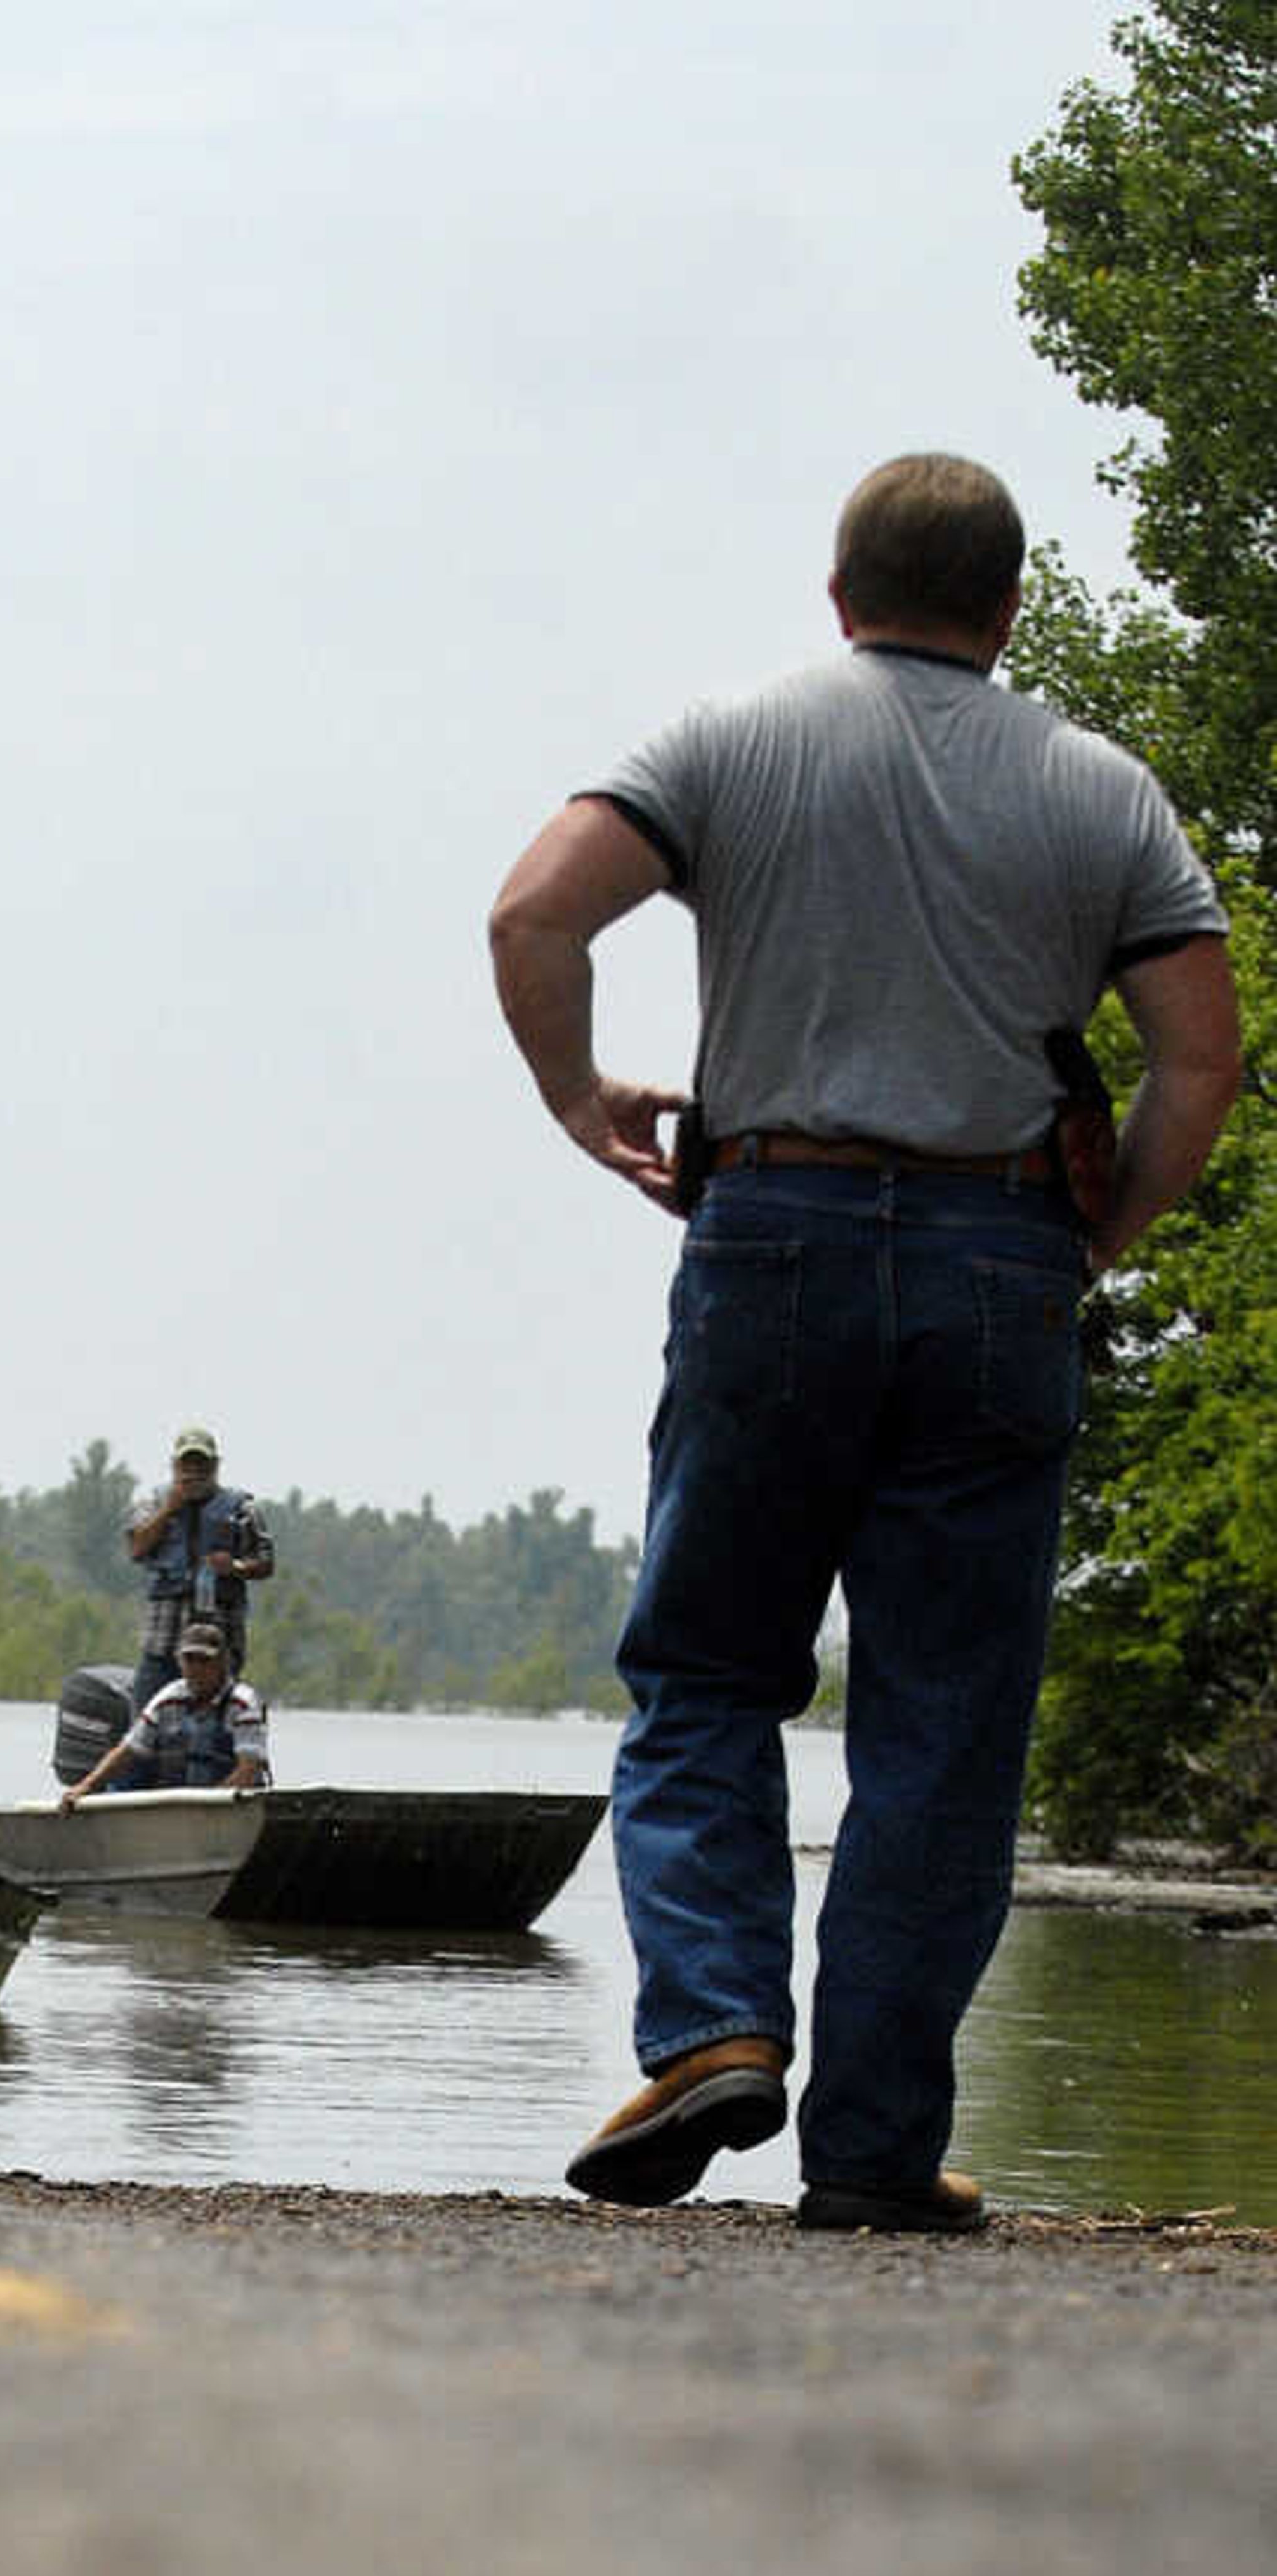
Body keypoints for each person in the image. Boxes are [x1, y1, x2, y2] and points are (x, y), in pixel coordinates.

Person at [489, 452, 1240, 2234]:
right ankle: (876, 2149)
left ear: (838, 596)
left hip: (776, 1235)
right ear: (1007, 609)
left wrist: (583, 1097)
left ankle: (715, 2028)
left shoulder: (727, 743)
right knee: (945, 1725)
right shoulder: (1104, 792)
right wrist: (1098, 1230)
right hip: (1001, 1264)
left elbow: (533, 912)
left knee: (706, 1667)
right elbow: (1199, 1054)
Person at [125, 1425, 274, 1707]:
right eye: (187, 1464)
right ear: (175, 1466)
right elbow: (137, 1548)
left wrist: (236, 1567)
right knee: (146, 1717)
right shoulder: (153, 1503)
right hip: (163, 1641)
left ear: (216, 1466)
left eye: (201, 1464)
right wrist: (169, 1509)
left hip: (220, 1642)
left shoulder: (243, 1510)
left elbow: (266, 1562)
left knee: (217, 1729)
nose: (193, 1472)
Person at [60, 1619, 270, 1805]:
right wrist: (85, 1786)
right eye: (189, 1659)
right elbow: (129, 1749)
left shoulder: (243, 1703)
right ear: (179, 1662)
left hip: (230, 1806)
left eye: (205, 1660)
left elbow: (249, 1770)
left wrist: (212, 1807)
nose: (196, 1668)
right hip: (177, 1807)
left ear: (222, 1663)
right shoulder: (168, 1698)